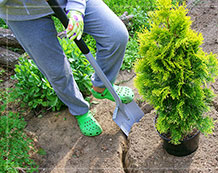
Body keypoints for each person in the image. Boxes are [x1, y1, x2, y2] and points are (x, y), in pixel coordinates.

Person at [0, 0, 134, 136]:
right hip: (21, 14)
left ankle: (102, 87)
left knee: (115, 35)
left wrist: (76, 9)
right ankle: (80, 110)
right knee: (55, 69)